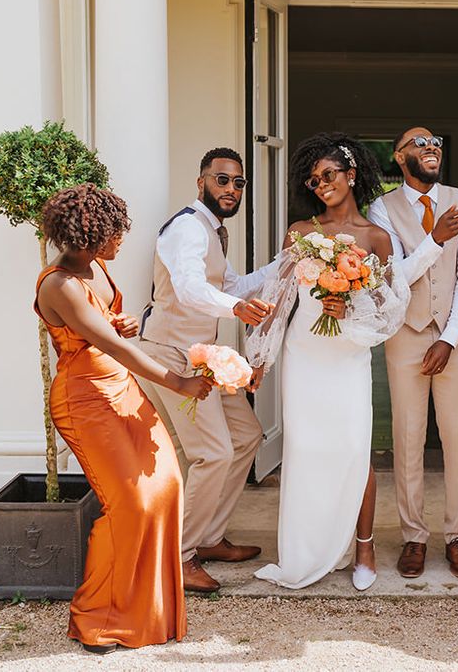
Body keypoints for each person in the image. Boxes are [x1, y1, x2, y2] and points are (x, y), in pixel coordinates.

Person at [249, 133, 458, 590]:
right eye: (313, 180)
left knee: (355, 449)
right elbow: (278, 296)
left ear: (352, 175)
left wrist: (348, 312)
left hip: (348, 356)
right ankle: (303, 548)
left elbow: (390, 306)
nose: (322, 185)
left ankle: (364, 545)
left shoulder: (378, 237)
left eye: (329, 174)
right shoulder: (301, 232)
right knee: (306, 449)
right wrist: (258, 358)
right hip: (304, 352)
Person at [33, 183, 213, 654]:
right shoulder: (58, 284)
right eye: (114, 233)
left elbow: (109, 330)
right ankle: (98, 618)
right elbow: (110, 346)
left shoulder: (96, 268)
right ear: (91, 232)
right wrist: (179, 382)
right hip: (84, 400)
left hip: (120, 389)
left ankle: (147, 612)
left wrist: (122, 319)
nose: (120, 242)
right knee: (129, 504)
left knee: (166, 485)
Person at [139, 147, 274, 593]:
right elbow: (191, 288)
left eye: (238, 183)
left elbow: (230, 284)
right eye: (222, 180)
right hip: (170, 355)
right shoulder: (186, 228)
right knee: (212, 452)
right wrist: (237, 308)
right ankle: (179, 554)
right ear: (201, 183)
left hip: (202, 356)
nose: (231, 189)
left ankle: (210, 537)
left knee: (248, 436)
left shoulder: (214, 231)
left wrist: (287, 262)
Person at [368, 126, 458, 580]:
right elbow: (395, 276)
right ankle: (413, 536)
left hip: (453, 335)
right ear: (399, 157)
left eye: (435, 141)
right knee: (408, 437)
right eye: (419, 142)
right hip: (405, 332)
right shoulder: (381, 207)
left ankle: (457, 535)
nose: (431, 146)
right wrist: (435, 239)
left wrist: (449, 338)